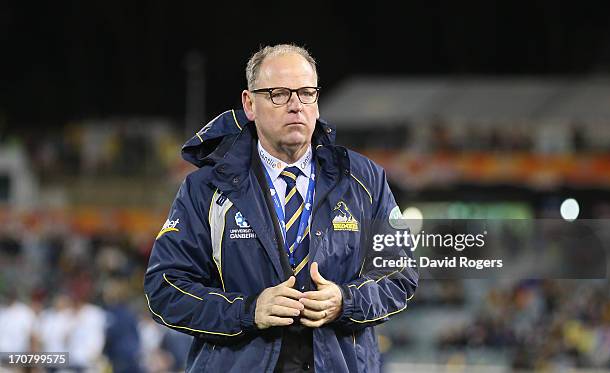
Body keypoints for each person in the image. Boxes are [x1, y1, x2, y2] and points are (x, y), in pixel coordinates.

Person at [144, 44, 418, 372]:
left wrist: (346, 302)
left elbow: (401, 272)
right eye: (278, 94)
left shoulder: (364, 180)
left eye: (306, 93)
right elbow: (165, 286)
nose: (295, 106)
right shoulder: (205, 189)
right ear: (249, 104)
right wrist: (248, 310)